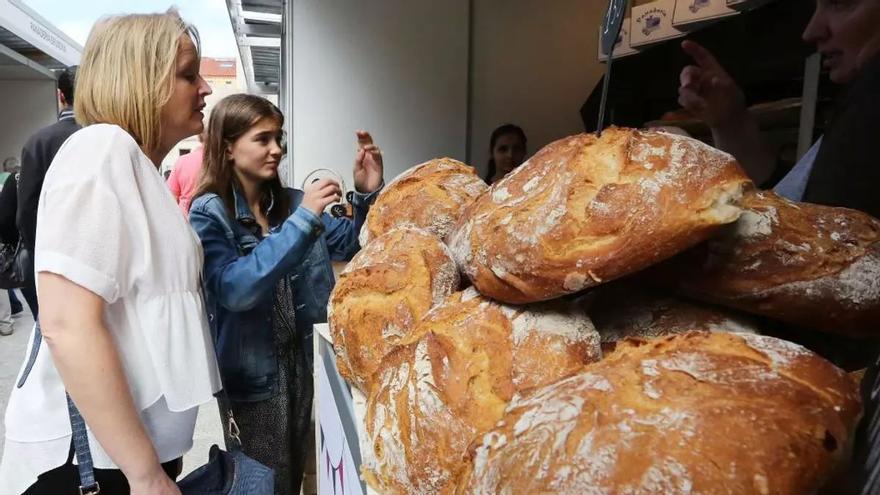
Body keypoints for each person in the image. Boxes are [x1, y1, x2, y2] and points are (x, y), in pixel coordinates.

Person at [0, 9, 221, 495]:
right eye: (188, 74)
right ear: (140, 81)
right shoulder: (101, 149)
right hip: (94, 465)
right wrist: (145, 474)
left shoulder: (138, 165)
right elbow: (68, 323)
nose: (205, 89)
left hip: (124, 458)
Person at [679, 1, 880, 492]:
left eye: (840, 2)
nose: (812, 29)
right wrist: (730, 121)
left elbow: (831, 269)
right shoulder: (860, 98)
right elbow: (795, 219)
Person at [189, 94, 384, 494]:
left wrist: (366, 195)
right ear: (228, 146)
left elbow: (354, 245)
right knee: (260, 483)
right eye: (262, 139)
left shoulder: (292, 202)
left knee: (295, 479)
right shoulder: (209, 212)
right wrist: (304, 220)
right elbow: (234, 289)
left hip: (307, 367)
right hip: (253, 380)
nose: (276, 149)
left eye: (279, 138)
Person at [15, 65, 80, 319]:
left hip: (52, 260)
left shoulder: (38, 142)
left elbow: (27, 211)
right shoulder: (109, 138)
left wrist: (40, 256)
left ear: (60, 95)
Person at [167, 134, 205, 217]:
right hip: (213, 220)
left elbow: (172, 198)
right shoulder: (221, 162)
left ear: (199, 137)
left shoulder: (181, 161)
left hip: (185, 219)